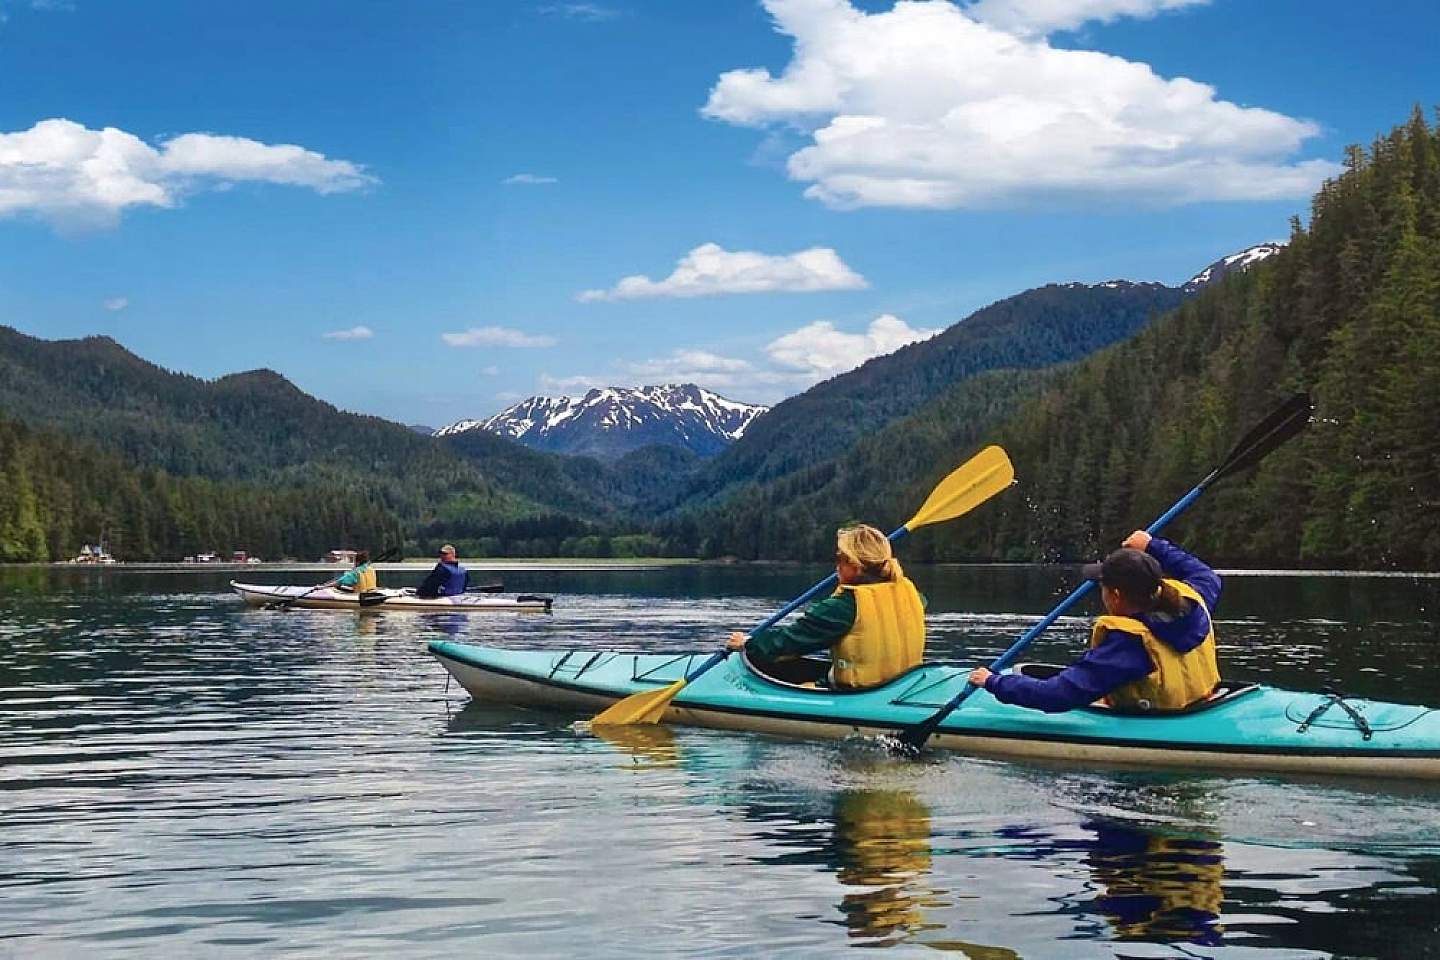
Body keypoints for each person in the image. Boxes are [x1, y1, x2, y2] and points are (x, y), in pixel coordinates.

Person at [969, 531, 1221, 713]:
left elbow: (1057, 695)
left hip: (1157, 721)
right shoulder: (1192, 602)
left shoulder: (1130, 643)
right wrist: (1152, 545)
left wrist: (994, 682)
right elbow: (1204, 574)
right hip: (1203, 704)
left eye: (1102, 586)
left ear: (1116, 595)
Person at [725, 523, 925, 690]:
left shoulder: (842, 607)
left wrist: (748, 643)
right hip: (901, 687)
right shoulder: (913, 595)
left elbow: (789, 641)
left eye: (839, 558)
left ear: (855, 566)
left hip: (858, 693)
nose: (836, 565)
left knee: (803, 684)